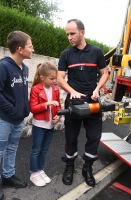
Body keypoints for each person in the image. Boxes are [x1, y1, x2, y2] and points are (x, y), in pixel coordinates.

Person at [57, 19, 109, 187]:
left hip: (92, 101)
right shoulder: (66, 54)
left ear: (82, 32)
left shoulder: (96, 51)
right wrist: (72, 92)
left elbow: (104, 73)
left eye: (72, 33)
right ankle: (69, 166)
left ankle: (88, 168)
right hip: (73, 102)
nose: (69, 37)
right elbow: (59, 79)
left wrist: (97, 89)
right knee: (70, 137)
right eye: (67, 34)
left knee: (94, 136)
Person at [0, 31, 34, 200]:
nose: (33, 49)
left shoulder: (25, 68)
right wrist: (12, 110)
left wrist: (24, 108)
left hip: (18, 119)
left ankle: (8, 176)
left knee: (12, 148)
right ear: (20, 49)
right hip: (3, 119)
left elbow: (21, 92)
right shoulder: (3, 67)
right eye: (30, 46)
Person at [29, 62, 61, 187]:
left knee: (44, 149)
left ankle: (40, 170)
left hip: (50, 125)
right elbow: (33, 108)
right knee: (36, 150)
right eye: (52, 79)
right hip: (39, 125)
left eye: (55, 78)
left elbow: (58, 106)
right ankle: (33, 173)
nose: (54, 81)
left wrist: (58, 116)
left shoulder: (55, 90)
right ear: (42, 77)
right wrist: (47, 104)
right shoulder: (36, 89)